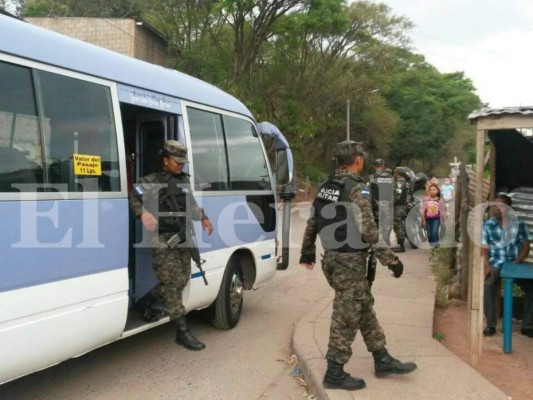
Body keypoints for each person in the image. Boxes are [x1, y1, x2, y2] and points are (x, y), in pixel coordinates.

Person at [299, 141, 417, 391]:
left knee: (362, 307)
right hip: (349, 262)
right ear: (359, 160)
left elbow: (313, 221)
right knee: (345, 316)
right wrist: (391, 261)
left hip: (332, 259)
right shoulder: (356, 189)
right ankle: (334, 371)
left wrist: (307, 252)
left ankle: (381, 357)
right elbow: (369, 231)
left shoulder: (325, 187)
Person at [130, 140, 214, 350]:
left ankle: (144, 302)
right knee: (170, 284)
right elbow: (133, 195)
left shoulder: (183, 181)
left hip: (182, 236)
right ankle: (182, 331)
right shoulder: (152, 181)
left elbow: (191, 205)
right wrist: (143, 213)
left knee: (181, 280)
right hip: (161, 239)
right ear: (165, 160)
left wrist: (203, 217)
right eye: (177, 162)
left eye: (183, 163)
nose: (181, 166)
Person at [481, 194, 533, 337]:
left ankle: (527, 325)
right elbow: (484, 249)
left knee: (532, 287)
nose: (497, 209)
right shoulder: (488, 225)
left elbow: (526, 247)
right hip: (497, 264)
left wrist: (516, 263)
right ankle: (491, 325)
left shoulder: (520, 224)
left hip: (515, 265)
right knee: (488, 285)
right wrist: (487, 266)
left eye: (501, 206)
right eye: (495, 206)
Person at [368, 158, 394, 246]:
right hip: (384, 202)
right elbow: (392, 189)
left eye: (378, 166)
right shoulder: (390, 177)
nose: (378, 167)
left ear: (382, 166)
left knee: (378, 221)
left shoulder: (373, 177)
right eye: (377, 166)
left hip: (378, 201)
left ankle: (380, 240)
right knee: (385, 222)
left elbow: (370, 189)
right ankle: (384, 240)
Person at [391, 167, 409, 253]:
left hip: (398, 207)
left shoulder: (399, 183)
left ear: (397, 173)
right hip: (403, 206)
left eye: (394, 172)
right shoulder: (406, 182)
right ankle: (400, 244)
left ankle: (401, 246)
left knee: (398, 225)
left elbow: (397, 196)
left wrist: (391, 203)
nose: (393, 174)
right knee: (400, 224)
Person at [422, 183, 445, 248]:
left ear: (437, 191)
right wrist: (423, 220)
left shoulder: (439, 200)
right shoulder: (426, 199)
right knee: (429, 235)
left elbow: (443, 211)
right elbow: (423, 210)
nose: (432, 191)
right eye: (431, 190)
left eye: (434, 190)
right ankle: (434, 245)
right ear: (428, 191)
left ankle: (436, 248)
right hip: (428, 219)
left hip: (436, 219)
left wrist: (445, 221)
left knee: (434, 233)